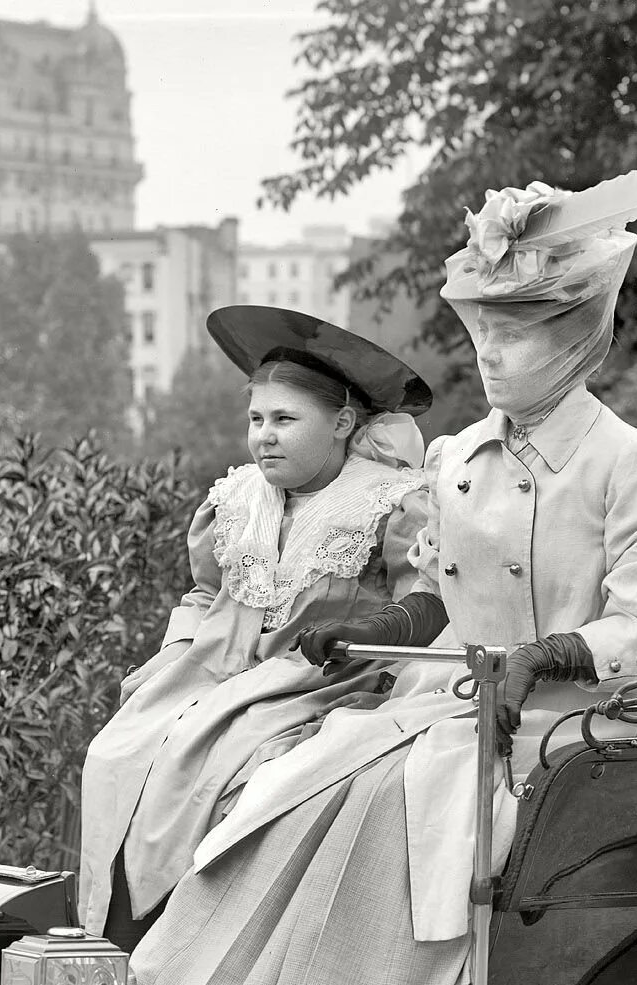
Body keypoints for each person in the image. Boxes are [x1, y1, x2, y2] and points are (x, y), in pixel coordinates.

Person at [126, 168, 637, 985]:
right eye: (482, 333)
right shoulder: (456, 460)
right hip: (455, 697)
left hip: (578, 720)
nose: (490, 356)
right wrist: (384, 630)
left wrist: (551, 651)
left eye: (517, 333)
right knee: (290, 782)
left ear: (574, 338)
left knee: (395, 808)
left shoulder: (631, 465)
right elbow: (443, 595)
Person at [76, 307, 440, 942]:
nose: (264, 436)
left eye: (285, 420)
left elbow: (422, 602)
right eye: (256, 420)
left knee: (229, 775)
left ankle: (185, 939)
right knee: (117, 750)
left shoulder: (389, 501)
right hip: (213, 665)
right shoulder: (237, 497)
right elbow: (204, 591)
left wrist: (380, 650)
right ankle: (106, 936)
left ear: (343, 424)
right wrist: (175, 650)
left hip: (315, 678)